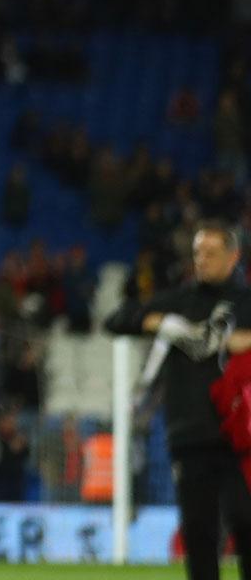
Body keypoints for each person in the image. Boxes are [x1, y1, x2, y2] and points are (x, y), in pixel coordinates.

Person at [107, 222, 251, 580]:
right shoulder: (178, 301)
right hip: (190, 434)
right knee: (199, 534)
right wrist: (153, 321)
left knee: (246, 522)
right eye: (198, 253)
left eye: (211, 253)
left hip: (242, 437)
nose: (202, 260)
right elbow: (115, 320)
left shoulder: (247, 303)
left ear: (234, 256)